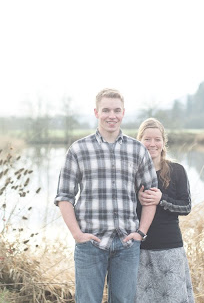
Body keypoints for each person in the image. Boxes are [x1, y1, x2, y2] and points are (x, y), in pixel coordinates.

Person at [55, 88, 158, 303]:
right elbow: (64, 197)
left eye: (117, 110)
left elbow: (151, 196)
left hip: (127, 244)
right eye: (106, 110)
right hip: (90, 244)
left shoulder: (137, 150)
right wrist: (77, 235)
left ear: (123, 113)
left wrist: (141, 232)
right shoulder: (78, 150)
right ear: (96, 112)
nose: (112, 115)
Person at [135, 118, 194, 302]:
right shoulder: (132, 172)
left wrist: (162, 199)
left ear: (163, 142)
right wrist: (137, 199)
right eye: (147, 139)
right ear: (139, 141)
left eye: (157, 139)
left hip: (170, 248)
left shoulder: (177, 170)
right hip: (140, 249)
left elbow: (186, 207)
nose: (152, 144)